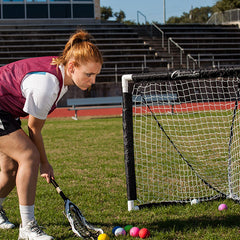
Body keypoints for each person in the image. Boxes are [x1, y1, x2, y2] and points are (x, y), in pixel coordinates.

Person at [0, 30, 103, 240]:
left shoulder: (62, 74)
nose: (93, 81)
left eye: (96, 75)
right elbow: (34, 128)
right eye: (89, 74)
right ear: (72, 66)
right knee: (29, 156)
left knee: (11, 169)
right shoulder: (48, 84)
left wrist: (43, 163)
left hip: (6, 110)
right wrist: (44, 164)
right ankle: (28, 229)